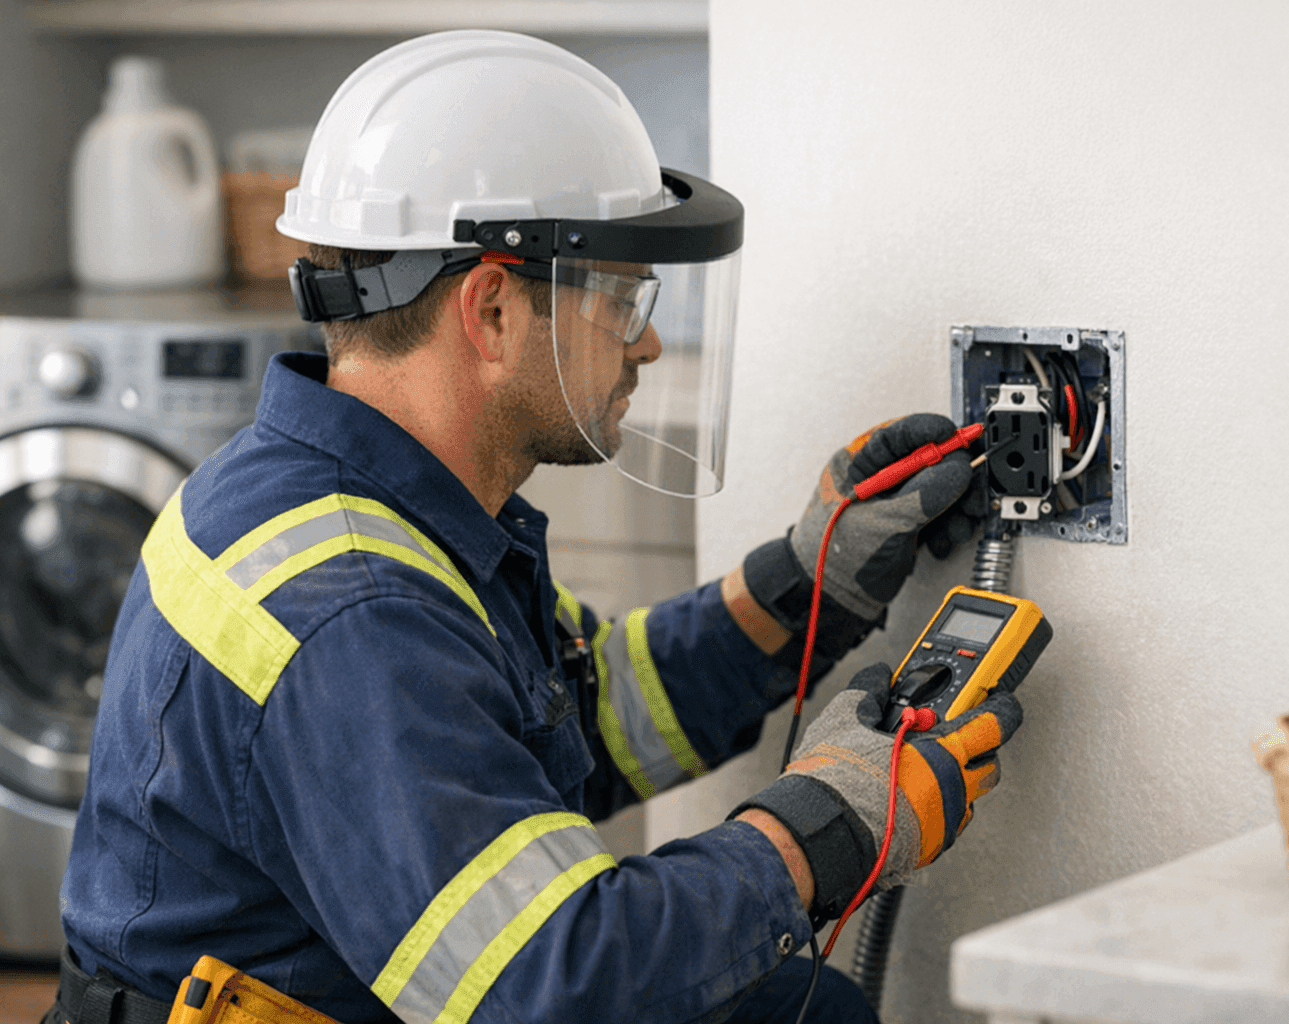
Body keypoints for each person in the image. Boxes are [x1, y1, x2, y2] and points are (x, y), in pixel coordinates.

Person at [50, 30, 1021, 1024]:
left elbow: (584, 716)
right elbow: (554, 983)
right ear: (493, 312)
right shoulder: (355, 614)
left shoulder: (368, 507)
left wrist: (807, 582)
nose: (646, 341)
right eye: (621, 297)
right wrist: (818, 831)